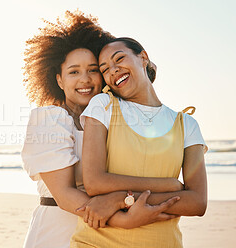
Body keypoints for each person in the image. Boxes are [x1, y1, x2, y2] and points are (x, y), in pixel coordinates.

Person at [21, 11, 182, 248]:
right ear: (59, 80)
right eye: (74, 72)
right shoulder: (48, 119)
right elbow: (65, 195)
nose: (85, 79)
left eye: (93, 70)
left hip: (103, 236)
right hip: (58, 230)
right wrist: (125, 219)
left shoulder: (110, 117)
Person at [70, 37, 207, 247]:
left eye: (119, 59)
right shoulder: (103, 106)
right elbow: (95, 182)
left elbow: (197, 202)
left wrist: (120, 199)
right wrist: (169, 186)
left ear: (143, 57)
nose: (113, 70)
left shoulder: (186, 124)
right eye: (105, 69)